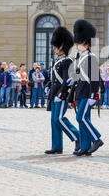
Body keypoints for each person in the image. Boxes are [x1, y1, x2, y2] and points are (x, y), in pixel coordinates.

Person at [44, 26, 80, 155]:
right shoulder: (58, 61)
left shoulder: (67, 61)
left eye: (56, 46)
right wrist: (48, 86)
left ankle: (78, 137)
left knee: (59, 119)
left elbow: (66, 80)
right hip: (54, 94)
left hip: (61, 95)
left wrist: (61, 93)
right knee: (54, 120)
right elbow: (54, 79)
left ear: (62, 47)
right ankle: (57, 146)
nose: (53, 48)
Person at [71, 19, 104, 156]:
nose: (79, 45)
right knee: (84, 120)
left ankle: (96, 139)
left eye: (81, 43)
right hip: (80, 92)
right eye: (78, 43)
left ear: (87, 44)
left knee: (81, 118)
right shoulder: (81, 58)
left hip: (87, 93)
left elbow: (95, 78)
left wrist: (93, 95)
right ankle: (85, 147)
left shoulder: (91, 57)